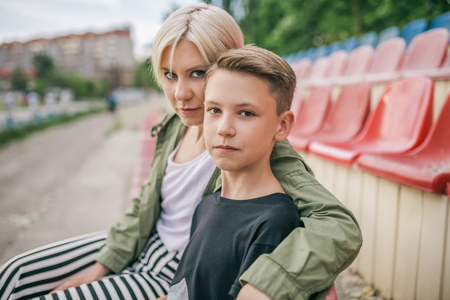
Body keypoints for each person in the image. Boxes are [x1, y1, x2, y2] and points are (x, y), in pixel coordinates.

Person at [0, 3, 362, 300]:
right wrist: (103, 264)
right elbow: (146, 204)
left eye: (198, 73)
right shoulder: (175, 124)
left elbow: (338, 226)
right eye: (170, 75)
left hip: (179, 272)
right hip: (143, 244)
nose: (181, 93)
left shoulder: (259, 147)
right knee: (13, 273)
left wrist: (266, 281)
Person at [161, 44, 300, 300]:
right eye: (214, 110)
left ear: (282, 125)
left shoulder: (274, 222)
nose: (225, 128)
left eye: (246, 113)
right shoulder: (206, 205)